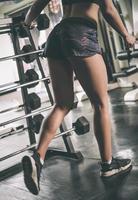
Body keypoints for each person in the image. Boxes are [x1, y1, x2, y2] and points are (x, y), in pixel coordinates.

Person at [21, 0, 136, 195]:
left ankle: (37, 157)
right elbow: (108, 9)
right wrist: (126, 35)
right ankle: (108, 165)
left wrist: (28, 22)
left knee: (61, 104)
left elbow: (36, 6)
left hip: (57, 35)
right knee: (100, 103)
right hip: (81, 33)